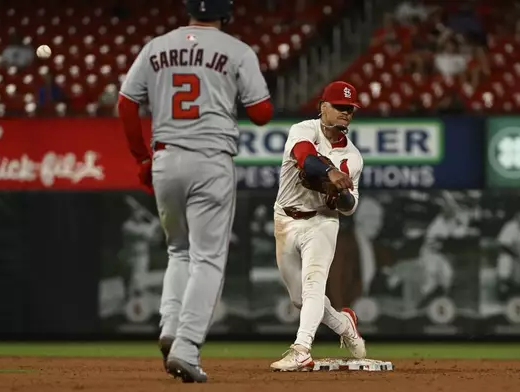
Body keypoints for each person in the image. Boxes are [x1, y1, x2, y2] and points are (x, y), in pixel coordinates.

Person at [118, 0, 272, 383]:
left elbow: (125, 104)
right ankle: (186, 346)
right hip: (210, 158)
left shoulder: (156, 46)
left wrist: (142, 158)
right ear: (226, 13)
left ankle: (170, 325)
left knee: (178, 249)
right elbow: (262, 113)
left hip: (166, 158)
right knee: (208, 258)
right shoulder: (236, 49)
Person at [270, 81, 366, 372]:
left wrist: (340, 197)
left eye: (349, 109)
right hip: (286, 219)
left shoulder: (354, 158)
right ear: (323, 107)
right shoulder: (303, 129)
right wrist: (328, 172)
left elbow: (350, 207)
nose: (345, 113)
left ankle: (301, 350)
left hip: (322, 221)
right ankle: (345, 325)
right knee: (300, 299)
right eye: (339, 107)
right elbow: (304, 157)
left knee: (314, 286)